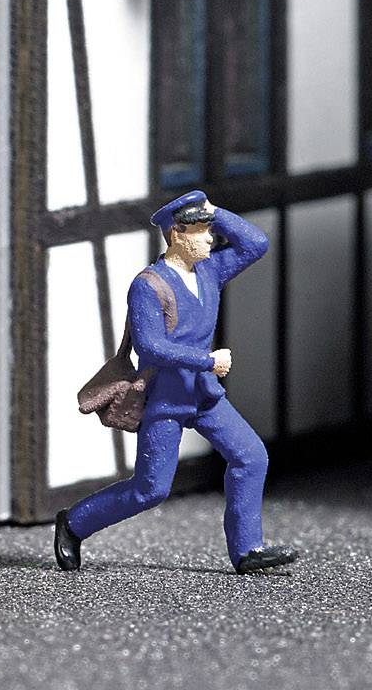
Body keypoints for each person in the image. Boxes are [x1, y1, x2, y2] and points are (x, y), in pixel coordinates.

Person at [55, 190, 299, 576]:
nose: (210, 238)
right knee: (150, 490)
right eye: (200, 231)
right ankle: (74, 523)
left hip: (204, 394)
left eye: (209, 229)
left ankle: (248, 549)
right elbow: (151, 349)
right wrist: (206, 360)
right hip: (166, 397)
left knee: (251, 456)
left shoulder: (210, 272)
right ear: (175, 235)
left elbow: (256, 243)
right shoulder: (148, 286)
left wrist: (215, 211)